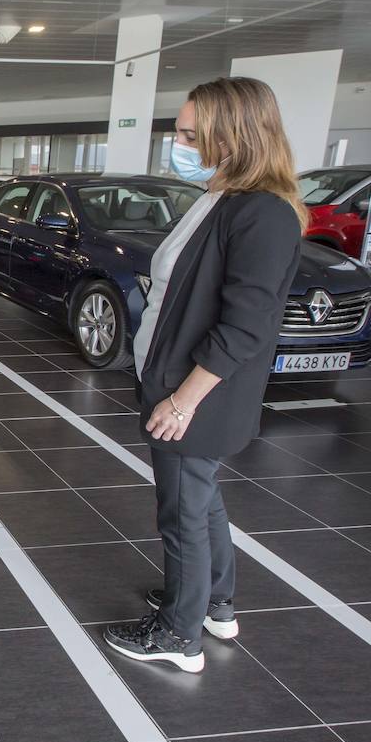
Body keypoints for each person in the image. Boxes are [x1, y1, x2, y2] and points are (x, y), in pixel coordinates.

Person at [103, 77, 307, 674]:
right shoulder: (226, 196)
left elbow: (245, 326)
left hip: (198, 393)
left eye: (192, 134)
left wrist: (184, 400)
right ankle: (214, 604)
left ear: (234, 133)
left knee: (183, 511)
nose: (180, 142)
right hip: (177, 381)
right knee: (202, 498)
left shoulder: (264, 213)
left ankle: (178, 635)